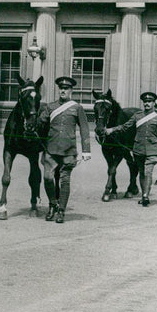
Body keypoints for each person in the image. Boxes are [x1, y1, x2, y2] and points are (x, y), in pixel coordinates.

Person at [36, 76, 91, 223]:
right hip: (51, 150)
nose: (63, 90)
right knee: (47, 178)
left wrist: (86, 150)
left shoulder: (76, 108)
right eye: (61, 88)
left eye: (66, 88)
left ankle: (61, 211)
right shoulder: (50, 107)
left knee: (65, 181)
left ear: (71, 91)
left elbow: (85, 129)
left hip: (68, 151)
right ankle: (52, 205)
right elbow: (40, 124)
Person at [105, 91, 157, 207]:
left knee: (148, 172)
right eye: (145, 102)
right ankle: (143, 192)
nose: (147, 104)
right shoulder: (137, 116)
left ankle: (145, 196)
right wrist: (112, 130)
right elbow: (125, 127)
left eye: (149, 101)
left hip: (152, 149)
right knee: (141, 172)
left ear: (154, 103)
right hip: (138, 149)